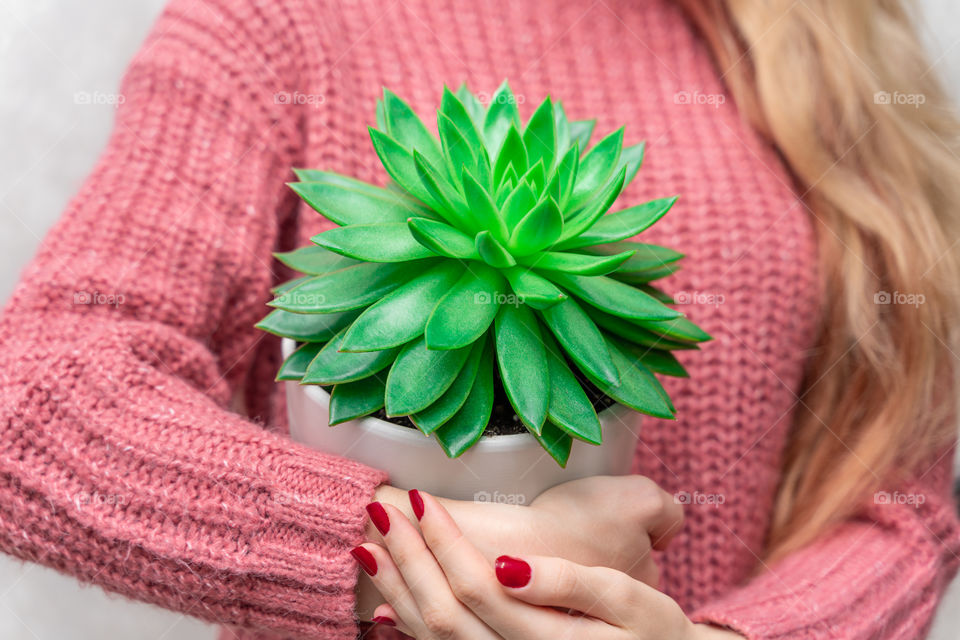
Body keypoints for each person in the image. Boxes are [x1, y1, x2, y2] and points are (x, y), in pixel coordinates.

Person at [0, 0, 957, 638]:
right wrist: (425, 553)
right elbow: (36, 397)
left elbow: (905, 499)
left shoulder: (808, 39)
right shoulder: (272, 24)